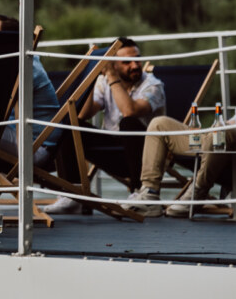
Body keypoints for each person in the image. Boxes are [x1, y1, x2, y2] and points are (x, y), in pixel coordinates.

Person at [125, 44, 236, 217]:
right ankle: (149, 194)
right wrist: (227, 128)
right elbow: (228, 123)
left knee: (222, 131)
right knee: (160, 124)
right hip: (221, 148)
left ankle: (198, 191)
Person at [45, 37, 166, 214]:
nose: (134, 65)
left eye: (137, 59)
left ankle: (140, 193)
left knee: (128, 122)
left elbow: (129, 111)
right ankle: (73, 195)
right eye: (126, 62)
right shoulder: (105, 83)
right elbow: (83, 114)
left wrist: (111, 76)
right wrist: (93, 78)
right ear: (114, 64)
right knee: (70, 125)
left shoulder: (153, 85)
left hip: (145, 157)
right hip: (113, 153)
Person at [0, 15, 60, 170]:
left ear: (11, 40)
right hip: (17, 136)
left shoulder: (26, 68)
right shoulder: (11, 64)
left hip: (35, 147)